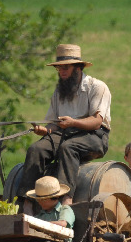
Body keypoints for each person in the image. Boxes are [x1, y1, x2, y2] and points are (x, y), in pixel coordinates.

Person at [17, 44, 111, 211]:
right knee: (36, 148)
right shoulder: (59, 91)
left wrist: (73, 122)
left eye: (65, 68)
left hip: (94, 136)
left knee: (68, 148)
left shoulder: (97, 87)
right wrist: (45, 130)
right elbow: (54, 123)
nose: (61, 72)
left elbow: (97, 121)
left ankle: (66, 199)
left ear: (78, 67)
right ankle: (27, 201)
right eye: (59, 69)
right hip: (64, 132)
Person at [24, 176, 75, 242]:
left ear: (52, 198)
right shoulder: (40, 215)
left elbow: (63, 223)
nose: (38, 202)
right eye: (38, 199)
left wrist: (41, 224)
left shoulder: (65, 209)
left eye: (41, 199)